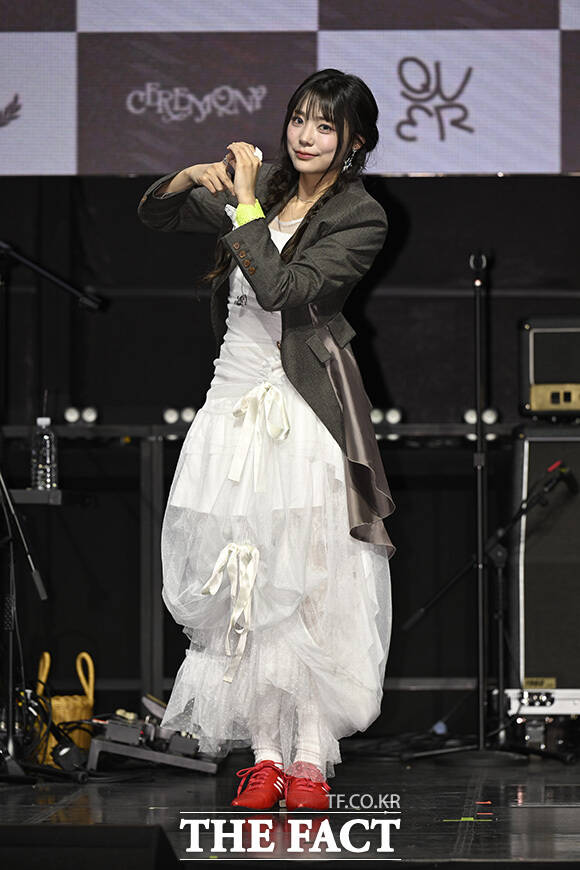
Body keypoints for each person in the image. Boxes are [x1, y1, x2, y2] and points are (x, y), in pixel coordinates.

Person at [137, 68, 395, 812]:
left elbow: (283, 290)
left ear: (354, 142)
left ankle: (310, 760)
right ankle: (265, 758)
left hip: (303, 405)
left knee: (308, 581)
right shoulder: (270, 188)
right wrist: (190, 176)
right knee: (243, 583)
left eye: (324, 126)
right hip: (232, 399)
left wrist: (246, 203)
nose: (305, 137)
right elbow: (158, 214)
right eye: (299, 120)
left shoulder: (361, 216)